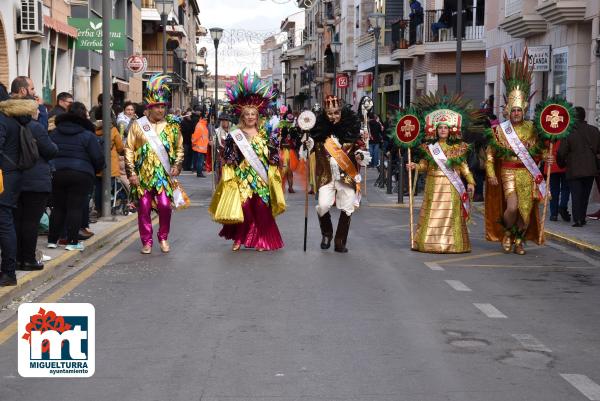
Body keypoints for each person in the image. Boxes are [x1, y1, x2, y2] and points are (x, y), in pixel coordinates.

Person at [209, 71, 286, 251]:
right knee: (244, 207)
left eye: (253, 114)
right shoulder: (235, 135)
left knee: (260, 207)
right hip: (242, 177)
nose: (250, 116)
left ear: (257, 116)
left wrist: (275, 160)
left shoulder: (265, 134)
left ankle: (261, 238)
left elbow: (274, 154)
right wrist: (228, 161)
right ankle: (239, 237)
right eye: (247, 114)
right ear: (242, 116)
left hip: (261, 177)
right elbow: (229, 156)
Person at [485, 51, 552, 255]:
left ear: (524, 110)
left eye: (519, 110)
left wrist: (547, 157)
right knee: (512, 207)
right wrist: (491, 173)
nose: (516, 113)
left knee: (526, 211)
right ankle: (507, 233)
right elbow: (490, 155)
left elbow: (539, 151)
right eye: (513, 110)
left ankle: (519, 239)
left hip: (528, 173)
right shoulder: (499, 130)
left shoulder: (532, 128)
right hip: (507, 171)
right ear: (508, 111)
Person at [406, 94, 477, 253]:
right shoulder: (430, 148)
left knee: (451, 214)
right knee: (433, 212)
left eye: (445, 127)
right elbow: (424, 165)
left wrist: (471, 181)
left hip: (452, 186)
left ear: (450, 130)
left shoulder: (457, 148)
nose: (443, 130)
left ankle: (454, 244)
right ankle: (429, 243)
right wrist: (415, 166)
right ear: (436, 130)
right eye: (440, 128)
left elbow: (464, 167)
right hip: (434, 185)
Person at [124, 74, 184, 254]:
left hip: (163, 176)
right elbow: (129, 149)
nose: (160, 110)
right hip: (142, 175)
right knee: (143, 208)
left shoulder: (172, 127)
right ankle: (147, 241)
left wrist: (177, 165)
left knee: (165, 206)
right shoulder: (137, 126)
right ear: (149, 108)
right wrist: (131, 172)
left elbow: (179, 149)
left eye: (163, 106)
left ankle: (163, 237)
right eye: (157, 106)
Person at [307, 95, 369, 253]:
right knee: (322, 206)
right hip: (326, 176)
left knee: (347, 207)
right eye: (329, 113)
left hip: (346, 176)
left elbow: (361, 149)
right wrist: (307, 145)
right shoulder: (318, 133)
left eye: (336, 112)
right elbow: (308, 149)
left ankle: (340, 241)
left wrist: (360, 155)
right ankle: (326, 234)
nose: (333, 116)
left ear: (341, 112)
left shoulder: (351, 131)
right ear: (324, 114)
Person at [47, 102, 104, 251]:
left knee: (58, 207)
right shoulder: (88, 135)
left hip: (57, 172)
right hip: (81, 174)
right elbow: (97, 157)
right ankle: (72, 242)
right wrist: (96, 169)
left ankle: (52, 240)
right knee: (75, 208)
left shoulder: (54, 133)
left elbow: (48, 152)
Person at [0, 93, 41, 286]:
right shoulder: (15, 121)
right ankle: (8, 270)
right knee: (6, 221)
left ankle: (8, 273)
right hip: (13, 176)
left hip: (4, 178)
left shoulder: (3, 121)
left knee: (5, 222)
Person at [14, 97, 58, 270]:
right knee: (31, 222)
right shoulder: (36, 127)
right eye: (37, 109)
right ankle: (28, 259)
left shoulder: (9, 125)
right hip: (36, 181)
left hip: (15, 180)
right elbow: (50, 150)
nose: (39, 111)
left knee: (16, 221)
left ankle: (16, 259)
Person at [557, 107, 600, 227]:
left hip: (574, 168)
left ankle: (578, 219)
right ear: (584, 116)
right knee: (585, 195)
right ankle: (582, 217)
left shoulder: (569, 132)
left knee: (576, 195)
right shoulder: (594, 130)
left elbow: (561, 152)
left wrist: (561, 164)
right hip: (591, 168)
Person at [93, 109, 125, 216]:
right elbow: (120, 147)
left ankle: (98, 209)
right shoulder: (113, 130)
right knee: (108, 188)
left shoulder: (93, 129)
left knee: (98, 188)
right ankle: (107, 209)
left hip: (95, 164)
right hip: (110, 164)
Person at [548, 139, 570, 222]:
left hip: (552, 164)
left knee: (554, 191)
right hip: (564, 165)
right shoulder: (567, 132)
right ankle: (563, 206)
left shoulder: (549, 133)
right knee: (566, 189)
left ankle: (554, 214)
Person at [278, 113, 300, 193]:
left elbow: (296, 141)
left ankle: (290, 187)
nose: (289, 123)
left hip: (291, 151)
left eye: (290, 122)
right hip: (283, 151)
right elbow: (278, 139)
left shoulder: (294, 130)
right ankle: (281, 187)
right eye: (288, 122)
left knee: (290, 171)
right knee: (283, 170)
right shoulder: (281, 129)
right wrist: (279, 138)